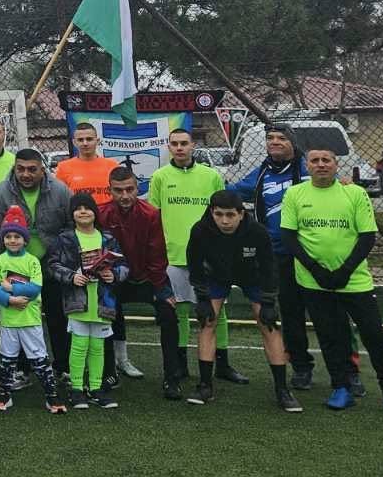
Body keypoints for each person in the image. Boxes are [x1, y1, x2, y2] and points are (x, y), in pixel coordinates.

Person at [280, 147, 383, 417]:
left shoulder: (355, 193)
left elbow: (367, 237)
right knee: (330, 337)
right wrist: (316, 270)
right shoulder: (294, 194)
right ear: (307, 166)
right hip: (314, 281)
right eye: (315, 161)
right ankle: (341, 387)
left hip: (354, 281)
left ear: (336, 165)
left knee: (374, 336)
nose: (321, 164)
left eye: (326, 160)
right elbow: (289, 236)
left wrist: (344, 271)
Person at [231, 125, 356, 393]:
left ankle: (349, 370)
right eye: (270, 138)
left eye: (281, 138)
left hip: (312, 253)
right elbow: (232, 193)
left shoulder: (307, 168)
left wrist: (345, 184)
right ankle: (301, 367)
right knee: (290, 314)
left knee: (332, 314)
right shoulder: (262, 173)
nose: (275, 142)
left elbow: (333, 186)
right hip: (279, 255)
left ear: (293, 143)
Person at [185, 190, 300, 412]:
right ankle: (205, 386)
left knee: (268, 325)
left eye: (230, 215)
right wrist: (202, 298)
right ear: (212, 212)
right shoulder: (200, 230)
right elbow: (195, 264)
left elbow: (269, 267)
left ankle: (282, 390)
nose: (224, 221)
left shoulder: (257, 232)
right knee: (208, 321)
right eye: (219, 214)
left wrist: (268, 302)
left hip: (252, 276)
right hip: (217, 275)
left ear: (241, 213)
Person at [149, 128, 245, 385]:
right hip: (174, 256)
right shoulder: (159, 177)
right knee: (179, 310)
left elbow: (224, 213)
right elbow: (154, 217)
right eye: (175, 144)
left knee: (217, 311)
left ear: (193, 145)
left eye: (184, 143)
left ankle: (222, 364)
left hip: (208, 258)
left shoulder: (211, 176)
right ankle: (181, 365)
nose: (180, 148)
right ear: (169, 147)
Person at [0, 148, 73, 381]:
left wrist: (66, 263)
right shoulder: (1, 193)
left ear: (42, 169)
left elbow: (71, 226)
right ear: (14, 168)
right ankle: (22, 370)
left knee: (58, 316)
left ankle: (63, 367)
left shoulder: (60, 190)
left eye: (32, 169)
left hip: (51, 266)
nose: (26, 174)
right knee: (18, 317)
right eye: (20, 169)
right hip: (16, 270)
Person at [97, 166, 186, 397]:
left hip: (148, 277)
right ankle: (109, 372)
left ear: (138, 188)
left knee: (168, 314)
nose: (125, 195)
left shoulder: (151, 214)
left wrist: (161, 289)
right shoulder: (101, 214)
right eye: (118, 190)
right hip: (115, 278)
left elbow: (157, 255)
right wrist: (110, 277)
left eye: (129, 189)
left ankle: (172, 378)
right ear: (110, 190)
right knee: (104, 312)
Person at [48, 191, 129, 409]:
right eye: (78, 209)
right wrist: (72, 276)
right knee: (79, 345)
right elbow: (53, 265)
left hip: (103, 302)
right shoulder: (65, 238)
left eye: (87, 208)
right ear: (72, 214)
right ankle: (76, 389)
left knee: (98, 346)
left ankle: (95, 388)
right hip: (78, 302)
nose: (83, 212)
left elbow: (123, 266)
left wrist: (114, 275)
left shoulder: (108, 238)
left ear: (95, 212)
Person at [0, 205, 65, 414]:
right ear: (3, 239)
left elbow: (35, 287)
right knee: (7, 359)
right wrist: (10, 301)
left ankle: (51, 396)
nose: (12, 240)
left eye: (17, 236)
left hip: (30, 320)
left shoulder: (32, 261)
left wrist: (11, 288)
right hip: (9, 321)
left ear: (25, 239)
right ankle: (4, 394)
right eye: (8, 236)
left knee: (39, 358)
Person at [54, 121, 119, 207]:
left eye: (89, 139)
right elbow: (59, 197)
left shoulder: (112, 166)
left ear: (97, 141)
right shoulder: (63, 167)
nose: (85, 143)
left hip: (107, 213)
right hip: (79, 213)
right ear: (74, 142)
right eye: (80, 140)